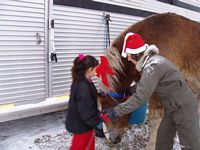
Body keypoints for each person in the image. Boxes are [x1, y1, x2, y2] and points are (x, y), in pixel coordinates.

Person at [103, 33, 200, 150]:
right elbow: (147, 83)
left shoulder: (152, 67)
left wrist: (115, 111)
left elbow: (139, 99)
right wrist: (130, 90)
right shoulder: (151, 63)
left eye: (129, 55)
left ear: (137, 54)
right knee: (163, 140)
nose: (128, 59)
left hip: (183, 106)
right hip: (171, 106)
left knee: (190, 146)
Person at [65, 54, 109, 150]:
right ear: (89, 69)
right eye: (95, 68)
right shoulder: (83, 87)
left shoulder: (83, 81)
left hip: (84, 124)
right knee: (79, 146)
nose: (96, 70)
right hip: (81, 125)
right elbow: (86, 111)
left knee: (89, 144)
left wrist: (100, 95)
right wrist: (97, 122)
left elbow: (88, 100)